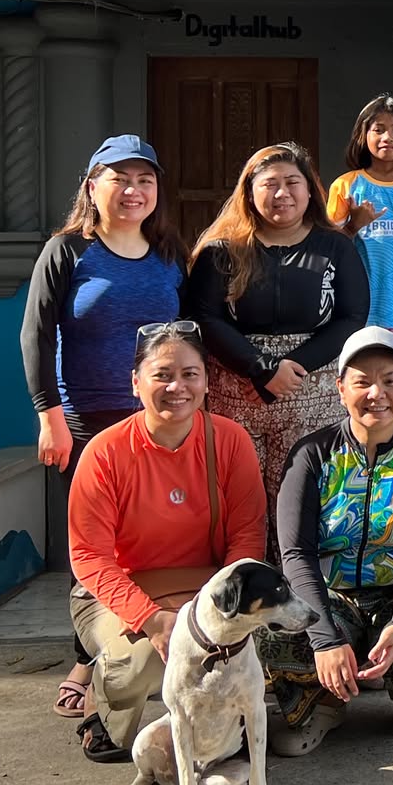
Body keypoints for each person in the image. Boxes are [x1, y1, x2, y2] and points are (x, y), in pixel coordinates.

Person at [21, 135, 186, 721]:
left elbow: (187, 338)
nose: (134, 190)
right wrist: (48, 417)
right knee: (95, 546)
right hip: (85, 422)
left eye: (145, 180)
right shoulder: (67, 251)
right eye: (120, 178)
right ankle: (87, 657)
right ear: (93, 186)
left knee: (149, 538)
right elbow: (36, 334)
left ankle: (112, 651)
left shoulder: (169, 255)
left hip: (156, 423)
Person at [68, 321, 266, 761]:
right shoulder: (104, 452)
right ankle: (106, 710)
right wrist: (151, 618)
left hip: (208, 588)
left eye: (190, 374)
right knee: (136, 666)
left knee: (247, 646)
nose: (177, 386)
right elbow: (88, 555)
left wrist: (222, 611)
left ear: (207, 382)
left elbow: (248, 535)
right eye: (161, 375)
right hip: (119, 589)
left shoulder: (230, 441)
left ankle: (219, 727)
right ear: (136, 383)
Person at [262, 327, 393, 753]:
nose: (377, 393)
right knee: (273, 630)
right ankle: (318, 706)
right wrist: (326, 639)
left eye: (390, 380)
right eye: (362, 381)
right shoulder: (312, 455)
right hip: (331, 596)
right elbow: (295, 553)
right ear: (340, 389)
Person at [186, 142, 371, 506]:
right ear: (249, 192)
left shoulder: (335, 247)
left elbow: (352, 316)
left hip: (311, 388)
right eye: (270, 184)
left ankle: (297, 565)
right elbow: (204, 316)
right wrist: (262, 368)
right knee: (237, 494)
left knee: (303, 494)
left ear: (309, 189)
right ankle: (246, 565)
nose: (282, 193)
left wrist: (292, 368)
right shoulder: (222, 250)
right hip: (237, 387)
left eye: (292, 182)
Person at [325, 97, 393, 377]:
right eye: (379, 129)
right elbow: (328, 250)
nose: (389, 137)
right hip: (356, 307)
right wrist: (354, 224)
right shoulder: (346, 185)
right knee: (356, 378)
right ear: (363, 136)